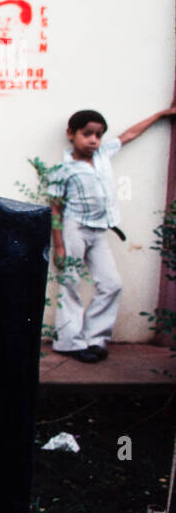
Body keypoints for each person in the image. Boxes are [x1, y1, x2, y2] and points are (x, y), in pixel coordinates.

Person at [47, 102, 176, 362]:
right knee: (70, 283)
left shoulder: (103, 155)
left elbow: (129, 134)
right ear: (71, 133)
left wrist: (161, 114)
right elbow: (55, 210)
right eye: (87, 134)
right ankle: (69, 342)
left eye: (98, 134)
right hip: (74, 229)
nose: (94, 140)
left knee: (111, 284)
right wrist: (59, 246)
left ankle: (95, 338)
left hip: (99, 231)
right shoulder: (62, 170)